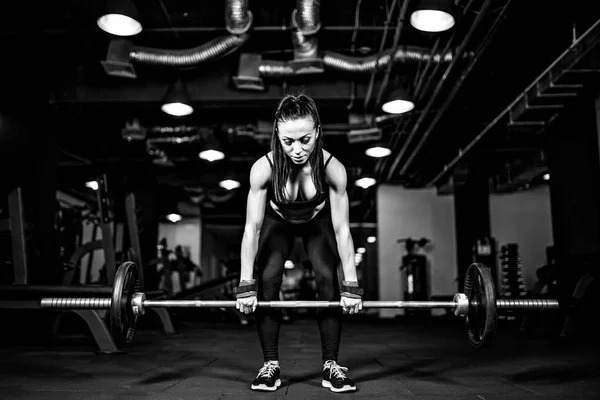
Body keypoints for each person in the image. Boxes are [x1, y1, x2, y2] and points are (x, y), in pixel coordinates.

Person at [235, 92, 363, 393]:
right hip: (277, 222)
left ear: (317, 131)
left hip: (316, 223)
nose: (296, 149)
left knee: (327, 280)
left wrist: (353, 286)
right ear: (277, 135)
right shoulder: (263, 169)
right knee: (267, 280)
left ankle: (331, 365)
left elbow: (342, 229)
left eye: (305, 139)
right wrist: (244, 284)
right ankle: (270, 365)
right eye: (287, 141)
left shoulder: (333, 169)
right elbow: (251, 228)